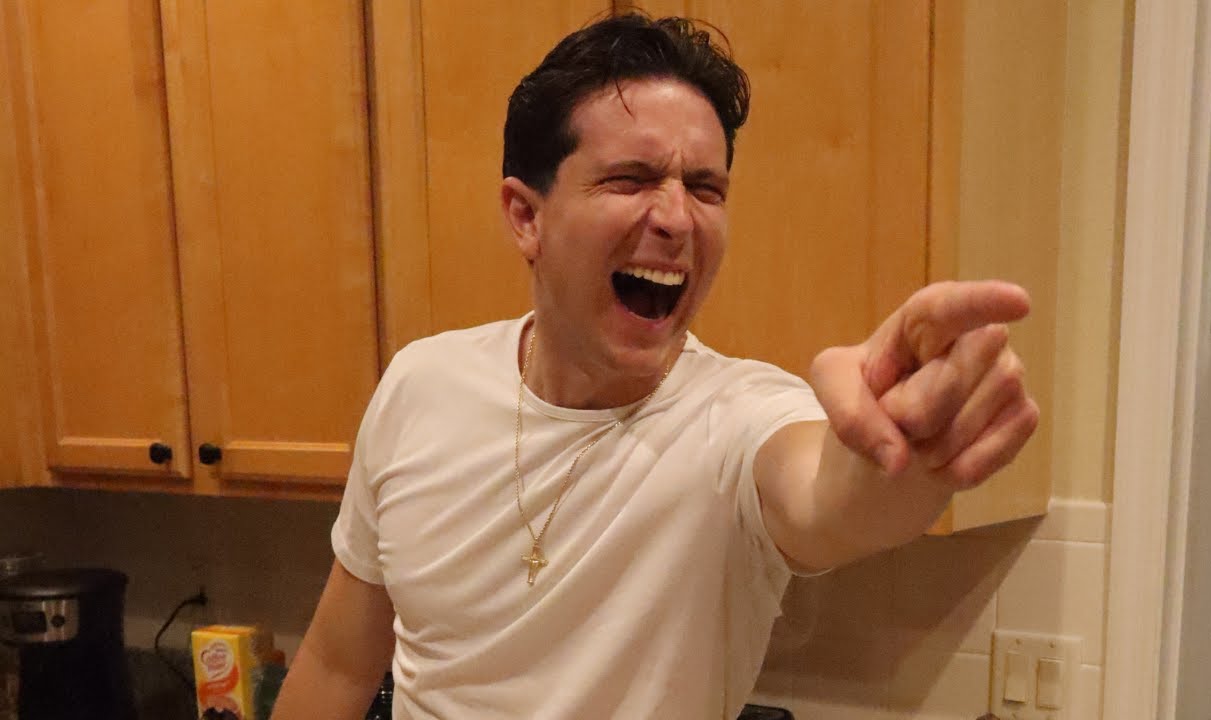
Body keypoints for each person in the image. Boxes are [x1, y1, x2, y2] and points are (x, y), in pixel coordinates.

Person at [271, 13, 1038, 720]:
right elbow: (337, 664)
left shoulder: (738, 420)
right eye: (630, 179)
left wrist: (904, 443)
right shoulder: (420, 386)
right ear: (526, 216)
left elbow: (831, 497)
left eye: (705, 188)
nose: (676, 219)